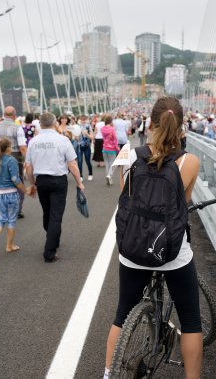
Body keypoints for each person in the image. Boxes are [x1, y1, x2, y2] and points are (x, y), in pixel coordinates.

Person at [103, 96, 202, 379]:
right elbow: (182, 205)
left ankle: (108, 374)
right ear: (182, 126)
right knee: (191, 320)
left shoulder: (127, 154)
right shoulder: (190, 162)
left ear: (150, 123)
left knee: (122, 313)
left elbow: (125, 197)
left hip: (132, 249)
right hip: (171, 254)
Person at [25, 112, 84, 263]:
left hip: (41, 180)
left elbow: (28, 167)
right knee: (56, 216)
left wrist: (32, 184)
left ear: (41, 124)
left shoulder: (33, 142)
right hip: (58, 180)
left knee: (47, 212)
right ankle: (49, 251)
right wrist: (79, 182)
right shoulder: (62, 140)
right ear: (54, 123)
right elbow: (72, 164)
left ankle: (52, 238)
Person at [0, 138, 33, 259]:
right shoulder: (11, 160)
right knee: (11, 220)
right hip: (11, 194)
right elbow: (15, 179)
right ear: (8, 148)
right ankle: (9, 246)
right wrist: (25, 190)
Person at [0, 106, 27, 219]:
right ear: (14, 115)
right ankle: (16, 209)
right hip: (15, 157)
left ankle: (2, 208)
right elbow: (22, 147)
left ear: (3, 114)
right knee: (17, 182)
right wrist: (27, 160)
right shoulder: (18, 127)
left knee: (0, 183)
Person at [101, 115, 120, 186]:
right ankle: (109, 176)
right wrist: (117, 148)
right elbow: (115, 139)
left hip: (105, 148)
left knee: (107, 164)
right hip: (111, 148)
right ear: (111, 121)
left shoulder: (102, 128)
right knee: (113, 164)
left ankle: (109, 177)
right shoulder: (112, 129)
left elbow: (104, 138)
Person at [78, 116, 94, 182]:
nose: (83, 121)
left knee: (88, 161)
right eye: (82, 120)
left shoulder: (88, 126)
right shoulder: (77, 126)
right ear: (80, 120)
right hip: (79, 146)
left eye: (84, 120)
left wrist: (86, 134)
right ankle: (80, 175)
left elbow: (92, 137)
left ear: (86, 120)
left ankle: (90, 174)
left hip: (87, 146)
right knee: (79, 161)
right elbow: (75, 136)